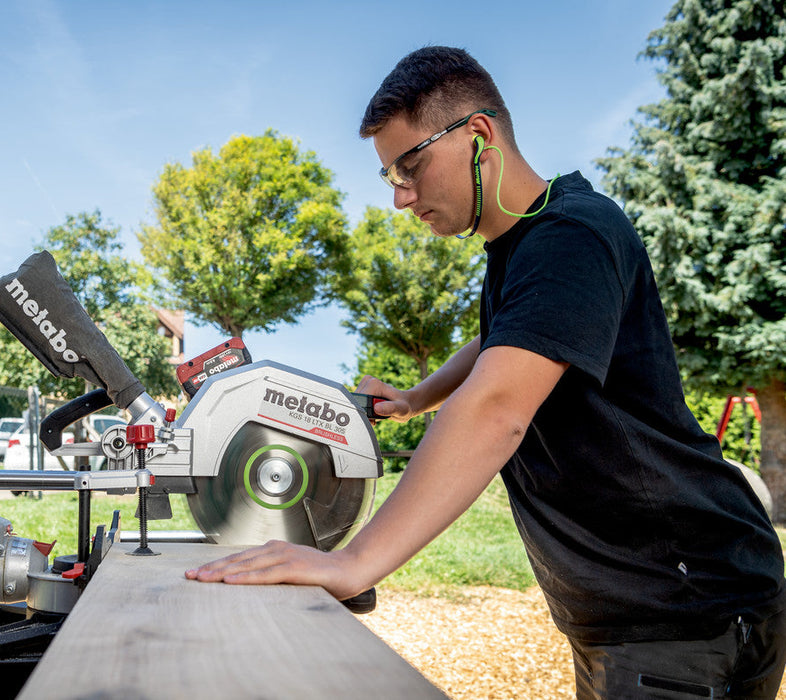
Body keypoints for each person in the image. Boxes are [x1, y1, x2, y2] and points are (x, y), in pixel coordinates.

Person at [185, 46, 786, 697]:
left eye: (410, 166)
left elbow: (498, 406)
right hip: (629, 614)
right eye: (389, 175)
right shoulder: (523, 246)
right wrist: (419, 397)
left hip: (685, 609)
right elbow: (500, 342)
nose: (400, 197)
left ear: (477, 135)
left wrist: (353, 562)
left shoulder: (571, 234)